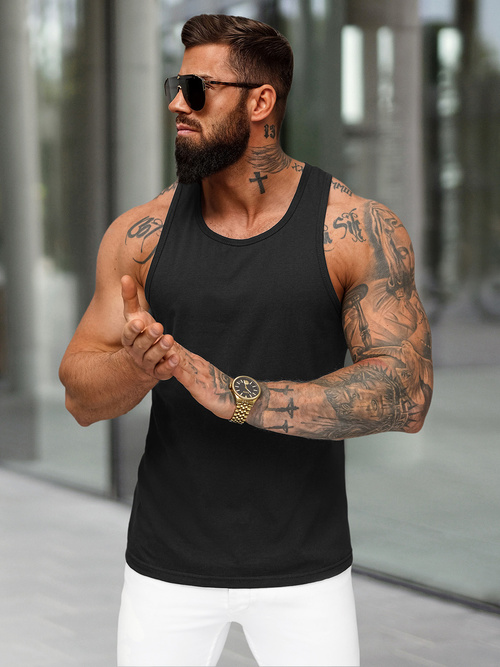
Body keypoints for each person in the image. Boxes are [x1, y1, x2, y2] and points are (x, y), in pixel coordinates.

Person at [59, 13, 433, 667]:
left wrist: (236, 395)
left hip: (305, 571)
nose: (177, 103)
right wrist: (139, 367)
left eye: (197, 89)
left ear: (261, 102)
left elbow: (406, 392)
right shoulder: (141, 234)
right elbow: (79, 395)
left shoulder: (353, 227)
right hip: (166, 569)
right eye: (176, 85)